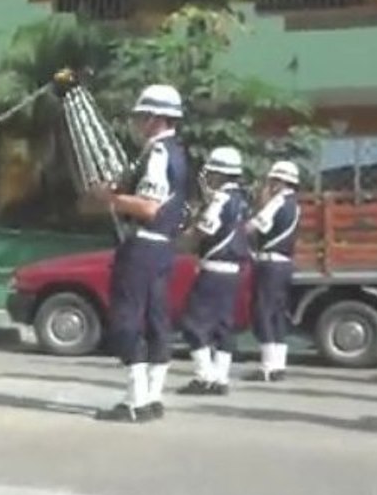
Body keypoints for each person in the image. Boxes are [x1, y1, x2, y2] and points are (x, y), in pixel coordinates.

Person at [89, 84, 187, 423]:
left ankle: (135, 399)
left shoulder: (158, 154)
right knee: (158, 319)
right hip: (162, 248)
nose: (137, 123)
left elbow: (148, 207)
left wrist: (110, 199)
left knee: (127, 318)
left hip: (143, 245)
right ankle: (153, 396)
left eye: (141, 117)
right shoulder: (176, 151)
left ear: (156, 118)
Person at [178, 146, 248, 395]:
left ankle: (204, 377)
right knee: (223, 326)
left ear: (219, 174)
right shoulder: (242, 200)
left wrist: (184, 235)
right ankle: (220, 378)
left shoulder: (220, 200)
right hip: (233, 272)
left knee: (192, 323)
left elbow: (203, 231)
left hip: (214, 270)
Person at [245, 160, 301, 382]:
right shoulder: (294, 203)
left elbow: (256, 226)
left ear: (280, 181)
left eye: (272, 180)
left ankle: (267, 367)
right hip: (285, 263)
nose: (269, 184)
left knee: (264, 312)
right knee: (277, 313)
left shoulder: (278, 201)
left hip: (270, 263)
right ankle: (278, 365)